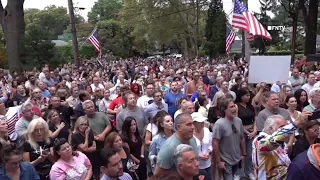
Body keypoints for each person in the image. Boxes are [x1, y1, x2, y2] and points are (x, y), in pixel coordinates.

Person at [252, 113, 310, 180]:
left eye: (286, 126)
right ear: (270, 129)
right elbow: (272, 141)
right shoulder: (259, 140)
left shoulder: (282, 143)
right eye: (282, 127)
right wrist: (295, 123)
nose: (286, 130)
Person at [212, 98, 246, 180]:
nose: (234, 109)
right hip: (226, 162)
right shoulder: (219, 124)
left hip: (238, 160)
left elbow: (242, 138)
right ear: (224, 110)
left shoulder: (239, 121)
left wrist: (244, 154)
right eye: (231, 107)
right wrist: (219, 162)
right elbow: (215, 143)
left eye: (234, 106)